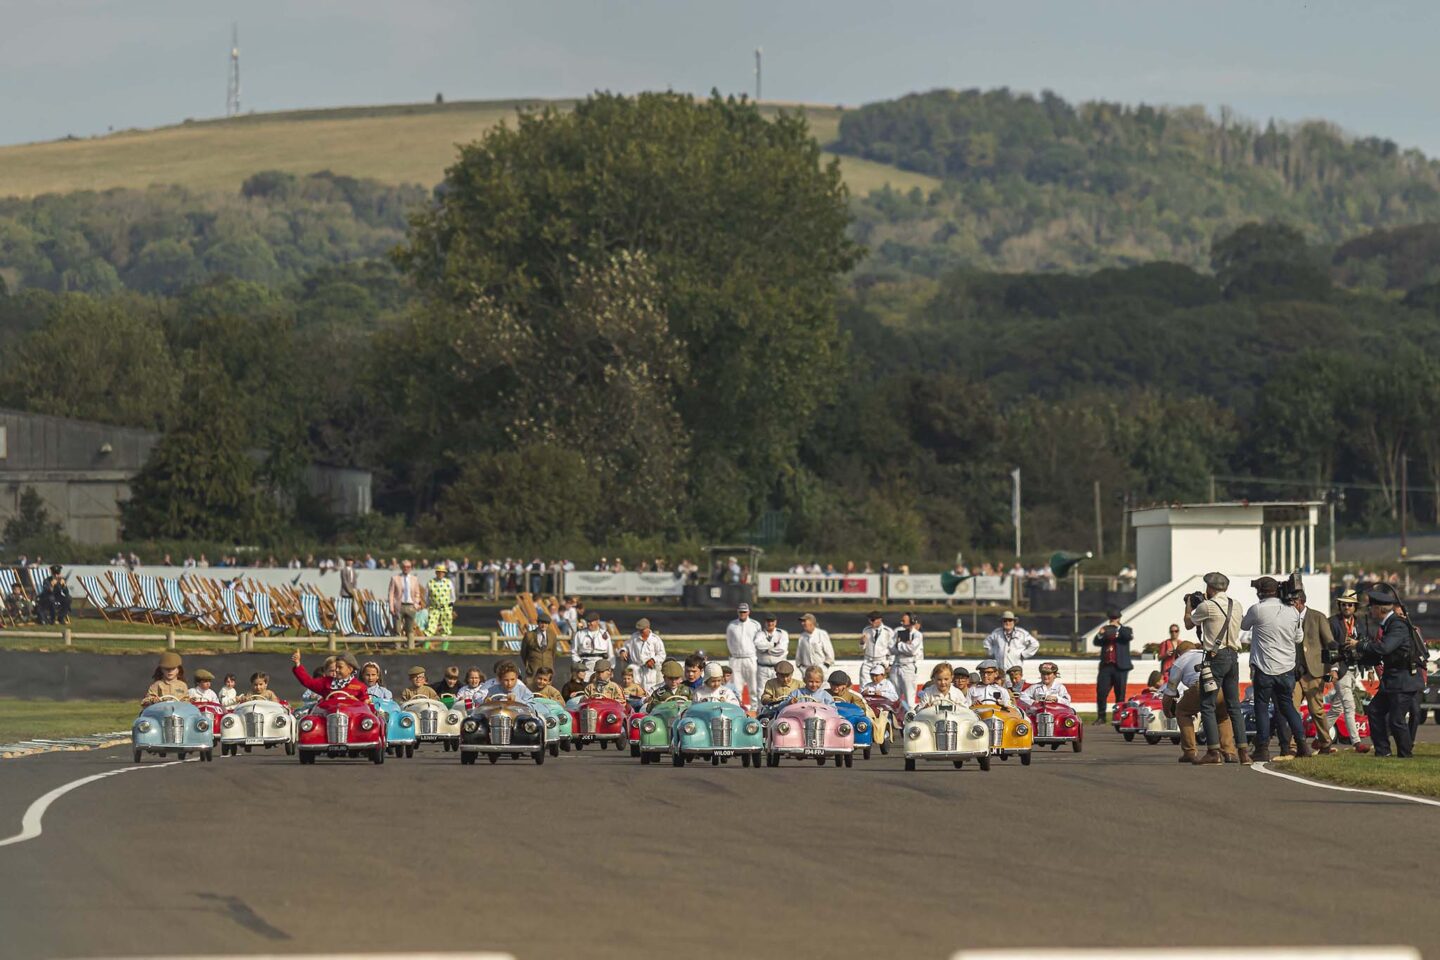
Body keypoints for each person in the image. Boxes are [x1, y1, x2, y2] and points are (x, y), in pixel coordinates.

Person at [1349, 584, 1425, 758]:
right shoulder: (1389, 624)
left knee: (1396, 720)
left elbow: (1384, 648)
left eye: (1372, 609)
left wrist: (1359, 644)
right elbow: (1381, 654)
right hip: (1393, 680)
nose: (1370, 612)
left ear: (1378, 609)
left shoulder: (1397, 625)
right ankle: (1383, 752)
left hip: (1403, 681)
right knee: (1375, 711)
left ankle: (1405, 755)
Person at [1241, 577, 1310, 762]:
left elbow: (1243, 625)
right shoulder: (1293, 611)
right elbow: (1298, 638)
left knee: (1261, 708)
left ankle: (1262, 749)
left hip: (1264, 668)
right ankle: (1303, 745)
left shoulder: (1257, 609)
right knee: (1288, 707)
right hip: (1287, 668)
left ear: (1260, 592)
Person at [1185, 571, 1248, 764]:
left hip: (1215, 658)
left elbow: (1189, 624)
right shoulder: (1236, 605)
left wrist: (1189, 606)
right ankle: (1243, 752)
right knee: (1234, 706)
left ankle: (1213, 751)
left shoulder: (1207, 606)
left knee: (1207, 704)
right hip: (1233, 657)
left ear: (1210, 588)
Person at [1162, 640, 1238, 764]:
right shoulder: (1205, 653)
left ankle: (1190, 751)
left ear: (1178, 654)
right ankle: (1229, 752)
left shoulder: (1179, 661)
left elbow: (1169, 693)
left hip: (1200, 686)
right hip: (1220, 688)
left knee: (1182, 711)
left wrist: (1167, 712)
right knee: (1223, 716)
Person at [1292, 589, 1338, 754]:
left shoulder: (1318, 617)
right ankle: (1293, 745)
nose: (1290, 604)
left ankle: (1325, 742)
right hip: (1293, 670)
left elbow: (1329, 643)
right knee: (1292, 708)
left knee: (1316, 710)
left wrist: (1333, 668)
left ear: (1299, 601)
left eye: (1293, 601)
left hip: (1314, 671)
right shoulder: (1287, 617)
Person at [1326, 590, 1370, 751]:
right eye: (1343, 604)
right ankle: (1356, 742)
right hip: (1341, 669)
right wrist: (1334, 668)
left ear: (1355, 606)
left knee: (1336, 708)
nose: (1346, 607)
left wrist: (1370, 668)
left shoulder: (1360, 622)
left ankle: (1319, 738)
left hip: (1355, 668)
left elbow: (1366, 644)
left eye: (1350, 604)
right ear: (1339, 605)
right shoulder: (1332, 622)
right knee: (1349, 706)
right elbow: (1329, 647)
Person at [1092, 609, 1134, 725]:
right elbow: (1096, 642)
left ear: (1119, 619)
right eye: (1111, 619)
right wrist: (1101, 634)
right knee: (1101, 692)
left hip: (1120, 666)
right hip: (1106, 666)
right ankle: (1101, 717)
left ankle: (1118, 717)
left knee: (1120, 693)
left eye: (1115, 619)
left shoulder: (1125, 630)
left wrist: (1118, 627)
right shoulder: (1106, 630)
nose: (1113, 621)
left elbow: (1128, 637)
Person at [724, 603, 763, 706]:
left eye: (744, 612)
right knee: (736, 688)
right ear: (738, 612)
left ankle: (756, 709)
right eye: (741, 612)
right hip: (736, 659)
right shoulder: (732, 625)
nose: (743, 614)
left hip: (751, 658)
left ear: (748, 612)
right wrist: (734, 654)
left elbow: (759, 642)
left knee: (754, 687)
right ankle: (738, 709)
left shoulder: (755, 625)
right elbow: (729, 642)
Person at [291, 650, 368, 700]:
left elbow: (367, 706)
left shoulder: (360, 686)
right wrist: (298, 664)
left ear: (350, 669)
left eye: (340, 667)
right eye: (336, 667)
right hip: (328, 719)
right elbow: (308, 682)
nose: (336, 670)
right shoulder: (326, 682)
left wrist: (357, 701)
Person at [387, 560, 426, 647]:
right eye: (404, 566)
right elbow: (391, 594)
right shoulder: (395, 578)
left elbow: (417, 593)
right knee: (397, 629)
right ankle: (398, 648)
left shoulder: (414, 579)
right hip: (398, 606)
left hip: (410, 606)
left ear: (411, 568)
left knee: (410, 630)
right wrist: (391, 607)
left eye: (408, 567)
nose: (406, 568)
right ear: (401, 567)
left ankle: (411, 649)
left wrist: (416, 604)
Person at [621, 618, 666, 691]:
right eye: (639, 630)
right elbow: (625, 646)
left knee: (649, 689)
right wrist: (623, 651)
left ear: (648, 628)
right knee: (635, 688)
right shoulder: (634, 637)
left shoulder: (655, 639)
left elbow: (661, 654)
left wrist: (653, 660)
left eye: (642, 630)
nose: (640, 632)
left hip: (649, 670)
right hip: (636, 668)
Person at [892, 612, 923, 711]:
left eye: (904, 620)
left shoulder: (917, 634)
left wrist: (899, 644)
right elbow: (891, 647)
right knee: (893, 697)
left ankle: (910, 718)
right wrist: (904, 645)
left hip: (908, 666)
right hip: (896, 665)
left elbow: (912, 650)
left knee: (909, 698)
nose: (902, 622)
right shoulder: (897, 631)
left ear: (912, 621)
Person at [755, 613, 789, 693]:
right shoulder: (760, 634)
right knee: (761, 691)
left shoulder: (782, 633)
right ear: (765, 622)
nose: (770, 623)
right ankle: (761, 706)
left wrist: (766, 650)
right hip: (763, 667)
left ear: (776, 622)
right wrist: (773, 644)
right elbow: (758, 646)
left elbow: (781, 650)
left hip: (778, 668)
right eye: (768, 621)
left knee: (780, 690)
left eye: (772, 621)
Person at [859, 610, 895, 679]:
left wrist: (890, 664)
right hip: (868, 661)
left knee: (879, 684)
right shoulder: (866, 630)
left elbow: (892, 649)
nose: (870, 622)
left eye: (872, 620)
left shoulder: (887, 631)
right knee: (864, 685)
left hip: (881, 661)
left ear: (879, 620)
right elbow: (862, 647)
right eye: (869, 620)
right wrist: (862, 642)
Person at [521, 612, 554, 684]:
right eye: (541, 622)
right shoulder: (529, 635)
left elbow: (553, 652)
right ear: (538, 623)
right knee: (531, 689)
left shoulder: (552, 635)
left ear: (548, 624)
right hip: (533, 669)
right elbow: (523, 653)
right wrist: (527, 666)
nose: (543, 625)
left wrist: (549, 664)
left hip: (547, 669)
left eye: (546, 623)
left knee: (547, 690)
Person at [424, 565, 455, 642]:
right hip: (434, 608)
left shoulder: (449, 582)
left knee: (446, 627)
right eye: (439, 572)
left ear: (444, 573)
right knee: (431, 627)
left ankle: (445, 649)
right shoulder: (430, 583)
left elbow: (452, 595)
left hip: (446, 608)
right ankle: (426, 647)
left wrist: (451, 603)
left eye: (442, 572)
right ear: (436, 572)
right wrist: (428, 605)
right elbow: (426, 596)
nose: (440, 574)